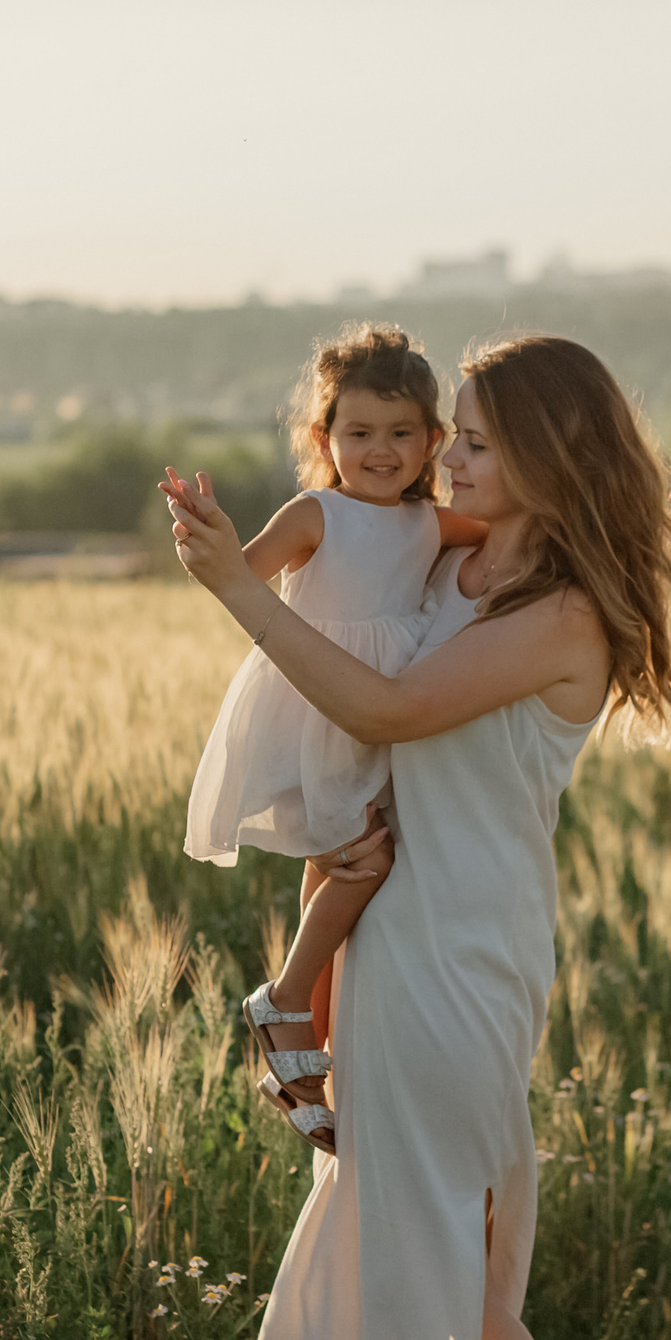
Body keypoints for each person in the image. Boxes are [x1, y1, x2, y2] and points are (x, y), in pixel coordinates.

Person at [162, 334, 671, 1340]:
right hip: (388, 927)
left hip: (467, 947)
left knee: (455, 1263)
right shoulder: (460, 558)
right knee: (400, 1237)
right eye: (447, 433)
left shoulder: (562, 614)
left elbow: (398, 706)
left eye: (470, 438)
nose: (445, 457)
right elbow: (358, 575)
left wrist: (241, 587)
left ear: (546, 455)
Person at [180, 324, 486, 1152]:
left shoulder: (428, 522)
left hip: (378, 712)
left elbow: (503, 540)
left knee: (337, 862)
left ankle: (307, 1050)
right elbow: (239, 573)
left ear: (431, 441)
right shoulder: (317, 512)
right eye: (358, 433)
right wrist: (205, 532)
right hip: (316, 708)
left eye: (400, 434)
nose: (380, 451)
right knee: (367, 859)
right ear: (324, 438)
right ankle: (283, 997)